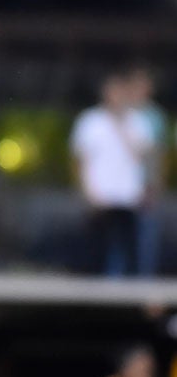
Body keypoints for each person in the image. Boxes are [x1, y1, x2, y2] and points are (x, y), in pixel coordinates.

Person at [70, 70, 153, 276]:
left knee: (128, 246)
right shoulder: (90, 121)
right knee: (99, 245)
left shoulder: (137, 121)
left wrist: (121, 127)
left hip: (128, 196)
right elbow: (81, 159)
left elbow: (142, 156)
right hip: (101, 195)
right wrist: (87, 190)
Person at [126, 65, 169, 276]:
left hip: (144, 185)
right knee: (122, 236)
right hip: (120, 187)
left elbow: (157, 155)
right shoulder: (119, 114)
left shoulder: (154, 117)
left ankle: (144, 277)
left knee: (146, 236)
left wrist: (154, 184)